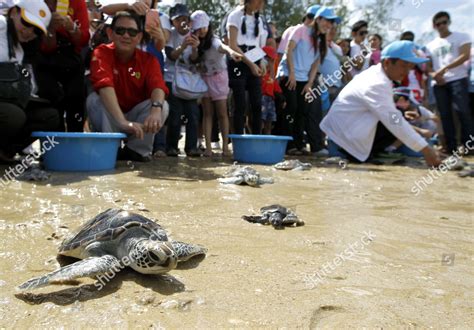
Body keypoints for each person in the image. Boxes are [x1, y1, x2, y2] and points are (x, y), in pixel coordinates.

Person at [320, 40, 442, 167]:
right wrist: (425, 149)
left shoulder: (380, 76)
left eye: (410, 67)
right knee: (402, 126)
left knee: (402, 123)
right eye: (404, 65)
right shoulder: (376, 83)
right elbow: (394, 120)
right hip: (342, 143)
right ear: (388, 62)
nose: (407, 72)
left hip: (348, 135)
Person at [87, 11, 169, 162]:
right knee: (93, 99)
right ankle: (111, 147)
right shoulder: (101, 53)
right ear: (110, 33)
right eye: (120, 30)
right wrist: (122, 122)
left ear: (138, 37)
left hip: (136, 116)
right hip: (112, 117)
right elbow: (104, 85)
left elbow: (158, 86)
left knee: (162, 105)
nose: (126, 36)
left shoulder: (149, 60)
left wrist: (156, 110)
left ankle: (137, 151)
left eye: (132, 32)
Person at [0, 0, 59, 163]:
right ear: (13, 12)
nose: (28, 32)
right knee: (14, 115)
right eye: (27, 23)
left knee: (49, 116)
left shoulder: (19, 51)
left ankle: (5, 152)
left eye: (36, 31)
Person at [276, 6, 335, 155]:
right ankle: (287, 145)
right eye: (327, 21)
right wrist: (292, 74)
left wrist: (310, 83)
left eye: (331, 23)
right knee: (291, 108)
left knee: (302, 111)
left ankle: (299, 144)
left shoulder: (322, 40)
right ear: (318, 19)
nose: (328, 25)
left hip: (304, 79)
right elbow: (289, 51)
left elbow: (316, 63)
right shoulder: (300, 30)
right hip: (289, 74)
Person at [191, 10, 242, 157]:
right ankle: (208, 148)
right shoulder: (196, 42)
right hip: (205, 78)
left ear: (208, 26)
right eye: (198, 28)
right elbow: (193, 59)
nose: (201, 31)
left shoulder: (214, 40)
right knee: (207, 114)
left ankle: (225, 147)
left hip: (219, 78)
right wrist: (194, 46)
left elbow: (222, 47)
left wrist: (231, 52)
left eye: (204, 27)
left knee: (222, 113)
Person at [34, 0, 90, 133]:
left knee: (76, 98)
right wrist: (51, 28)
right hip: (43, 57)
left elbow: (83, 40)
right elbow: (46, 48)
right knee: (51, 98)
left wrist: (72, 28)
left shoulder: (77, 2)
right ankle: (52, 146)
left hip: (70, 56)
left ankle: (75, 142)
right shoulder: (34, 2)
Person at [426, 11, 473, 154]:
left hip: (458, 79)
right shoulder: (430, 45)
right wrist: (435, 75)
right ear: (434, 26)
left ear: (449, 22)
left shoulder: (462, 37)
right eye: (438, 23)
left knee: (463, 111)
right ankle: (451, 147)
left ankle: (468, 145)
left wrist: (444, 69)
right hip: (439, 84)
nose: (441, 26)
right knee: (445, 115)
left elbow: (465, 56)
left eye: (444, 22)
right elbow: (428, 66)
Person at [163, 4, 202, 157]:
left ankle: (191, 148)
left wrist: (194, 48)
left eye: (185, 19)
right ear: (173, 22)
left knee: (193, 114)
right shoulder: (170, 35)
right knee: (175, 113)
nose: (182, 22)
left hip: (190, 82)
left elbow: (195, 60)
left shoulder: (194, 35)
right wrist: (183, 45)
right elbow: (171, 55)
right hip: (171, 79)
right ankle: (171, 147)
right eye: (178, 19)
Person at [226, 0, 267, 135]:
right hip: (238, 59)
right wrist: (251, 64)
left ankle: (256, 138)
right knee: (240, 103)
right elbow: (233, 44)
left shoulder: (259, 20)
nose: (260, 3)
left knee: (256, 103)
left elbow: (259, 44)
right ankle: (238, 138)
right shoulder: (235, 15)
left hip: (254, 57)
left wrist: (261, 62)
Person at [260, 45, 283, 134]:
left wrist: (281, 96)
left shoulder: (270, 75)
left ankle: (267, 139)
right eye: (270, 60)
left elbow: (275, 85)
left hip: (271, 100)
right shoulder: (260, 73)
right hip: (262, 99)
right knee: (260, 122)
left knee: (269, 122)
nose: (272, 63)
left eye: (273, 61)